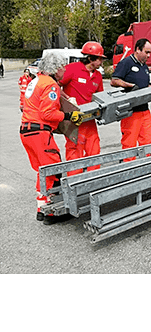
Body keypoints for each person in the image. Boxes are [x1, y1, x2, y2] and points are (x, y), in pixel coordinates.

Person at [20, 53, 85, 224]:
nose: (65, 70)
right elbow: (47, 113)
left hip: (27, 131)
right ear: (56, 69)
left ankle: (41, 209)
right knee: (53, 171)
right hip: (40, 132)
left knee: (42, 172)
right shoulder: (50, 85)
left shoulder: (36, 80)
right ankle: (52, 212)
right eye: (63, 66)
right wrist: (70, 115)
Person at [59, 41, 105, 175]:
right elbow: (56, 85)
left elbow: (99, 96)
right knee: (74, 151)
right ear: (90, 58)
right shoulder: (72, 69)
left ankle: (92, 180)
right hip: (74, 121)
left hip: (90, 120)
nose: (102, 61)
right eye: (100, 58)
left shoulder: (98, 76)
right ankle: (74, 183)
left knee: (94, 150)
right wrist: (68, 99)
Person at [111, 38, 151, 161]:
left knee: (148, 139)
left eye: (150, 52)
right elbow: (114, 81)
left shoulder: (144, 66)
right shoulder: (126, 63)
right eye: (146, 52)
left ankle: (146, 164)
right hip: (131, 110)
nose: (149, 55)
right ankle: (128, 166)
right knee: (129, 141)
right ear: (138, 49)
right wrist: (130, 86)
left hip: (144, 109)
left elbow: (145, 85)